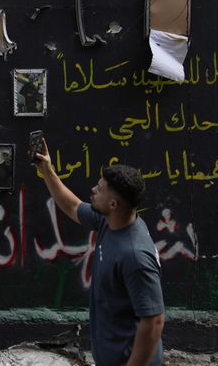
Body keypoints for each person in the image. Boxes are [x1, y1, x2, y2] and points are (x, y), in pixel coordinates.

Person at [34, 141, 165, 366]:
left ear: (114, 204)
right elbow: (73, 206)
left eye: (100, 189)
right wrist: (47, 170)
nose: (93, 190)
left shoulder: (135, 255)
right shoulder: (110, 221)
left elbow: (154, 322)